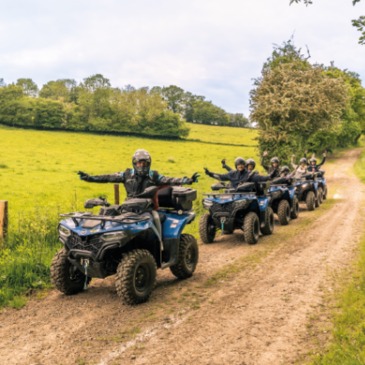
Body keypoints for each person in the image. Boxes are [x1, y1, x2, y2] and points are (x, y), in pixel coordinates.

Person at [78, 149, 200, 199]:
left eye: (144, 163)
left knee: (158, 227)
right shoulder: (126, 174)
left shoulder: (154, 175)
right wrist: (89, 178)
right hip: (128, 207)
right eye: (139, 164)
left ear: (148, 163)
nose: (141, 166)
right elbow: (107, 177)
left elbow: (170, 180)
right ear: (134, 163)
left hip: (149, 209)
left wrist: (187, 180)